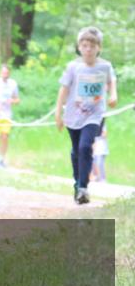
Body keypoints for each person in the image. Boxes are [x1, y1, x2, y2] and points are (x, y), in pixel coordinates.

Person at [55, 27, 118, 204]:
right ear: (79, 47)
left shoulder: (105, 66)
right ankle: (78, 184)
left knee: (85, 147)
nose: (88, 49)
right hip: (73, 115)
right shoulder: (73, 67)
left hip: (95, 115)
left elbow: (112, 81)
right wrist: (58, 113)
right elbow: (63, 90)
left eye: (92, 46)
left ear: (99, 48)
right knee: (76, 150)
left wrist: (113, 95)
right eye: (84, 45)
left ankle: (83, 186)